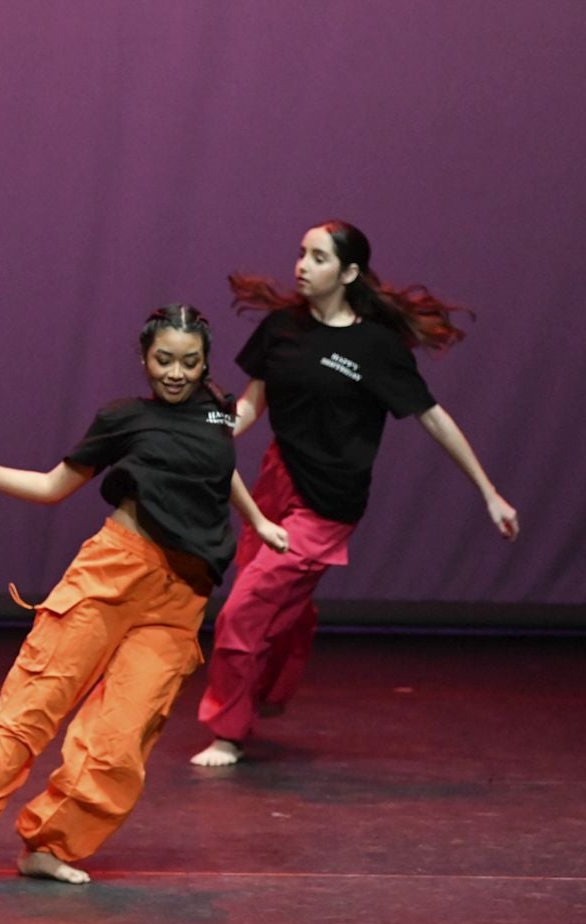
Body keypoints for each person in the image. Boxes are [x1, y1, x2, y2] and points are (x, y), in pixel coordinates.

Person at [0, 305, 288, 887]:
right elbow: (54, 486)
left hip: (183, 597)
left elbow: (218, 467)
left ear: (205, 363)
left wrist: (258, 518)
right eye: (163, 361)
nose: (175, 373)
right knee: (34, 702)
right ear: (144, 358)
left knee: (121, 739)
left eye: (189, 362)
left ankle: (48, 845)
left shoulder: (216, 414)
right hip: (115, 570)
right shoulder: (124, 419)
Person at [190, 221, 519, 768]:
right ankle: (267, 693)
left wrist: (489, 492)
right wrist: (206, 430)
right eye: (300, 253)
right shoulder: (281, 328)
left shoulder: (375, 346)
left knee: (240, 614)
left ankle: (227, 731)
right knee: (271, 604)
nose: (301, 265)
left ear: (348, 273)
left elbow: (433, 419)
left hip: (328, 504)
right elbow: (250, 405)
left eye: (317, 257)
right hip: (274, 487)